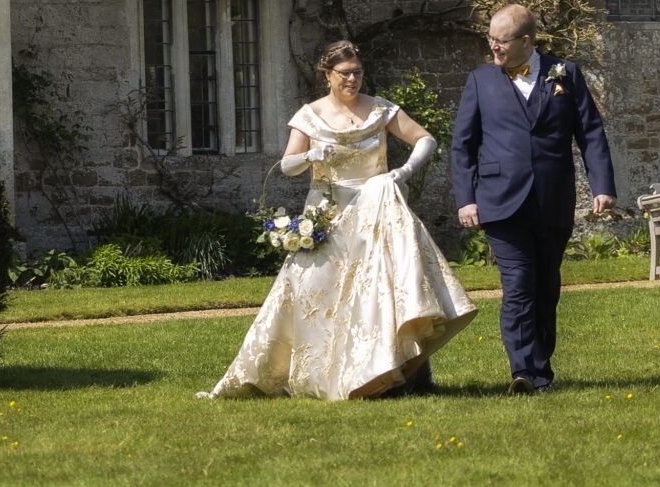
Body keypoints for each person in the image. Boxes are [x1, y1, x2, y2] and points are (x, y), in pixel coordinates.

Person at [201, 39, 477, 399]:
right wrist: (313, 153)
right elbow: (286, 166)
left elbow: (425, 139)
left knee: (387, 290)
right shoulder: (310, 115)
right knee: (314, 294)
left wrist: (402, 172)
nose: (352, 80)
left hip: (377, 212)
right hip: (328, 214)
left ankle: (400, 372)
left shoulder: (380, 109)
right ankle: (317, 373)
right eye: (345, 73)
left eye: (358, 73)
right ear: (327, 75)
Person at [449, 3, 616, 394]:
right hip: (499, 200)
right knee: (519, 285)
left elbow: (590, 133)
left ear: (526, 41)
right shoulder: (480, 80)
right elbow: (463, 146)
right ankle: (525, 372)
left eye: (501, 40)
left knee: (546, 288)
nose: (493, 48)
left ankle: (540, 367)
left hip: (551, 198)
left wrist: (603, 186)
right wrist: (466, 198)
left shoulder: (566, 74)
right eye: (490, 39)